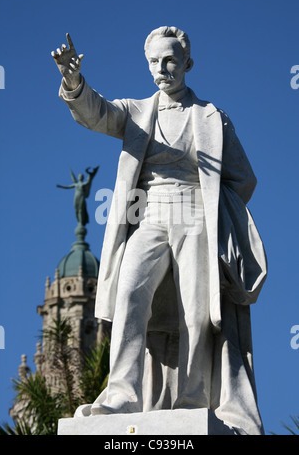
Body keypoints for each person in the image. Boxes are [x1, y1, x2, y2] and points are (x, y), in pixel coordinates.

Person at [52, 27, 267, 434]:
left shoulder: (213, 118)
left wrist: (213, 208)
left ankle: (192, 396)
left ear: (188, 63)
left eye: (170, 60)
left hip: (196, 215)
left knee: (196, 308)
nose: (162, 69)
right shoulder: (135, 112)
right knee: (128, 295)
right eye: (154, 61)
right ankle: (121, 396)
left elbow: (244, 179)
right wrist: (73, 81)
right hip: (148, 215)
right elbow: (96, 113)